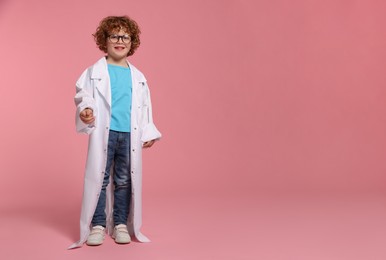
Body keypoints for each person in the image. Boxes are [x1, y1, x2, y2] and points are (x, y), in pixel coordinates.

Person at [69, 16, 161, 249]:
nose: (120, 41)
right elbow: (83, 95)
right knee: (99, 178)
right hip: (105, 134)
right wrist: (86, 110)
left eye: (125, 37)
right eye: (114, 36)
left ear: (132, 42)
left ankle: (120, 223)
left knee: (124, 180)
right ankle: (98, 225)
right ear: (105, 40)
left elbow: (145, 107)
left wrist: (147, 131)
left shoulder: (138, 77)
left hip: (128, 135)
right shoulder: (93, 72)